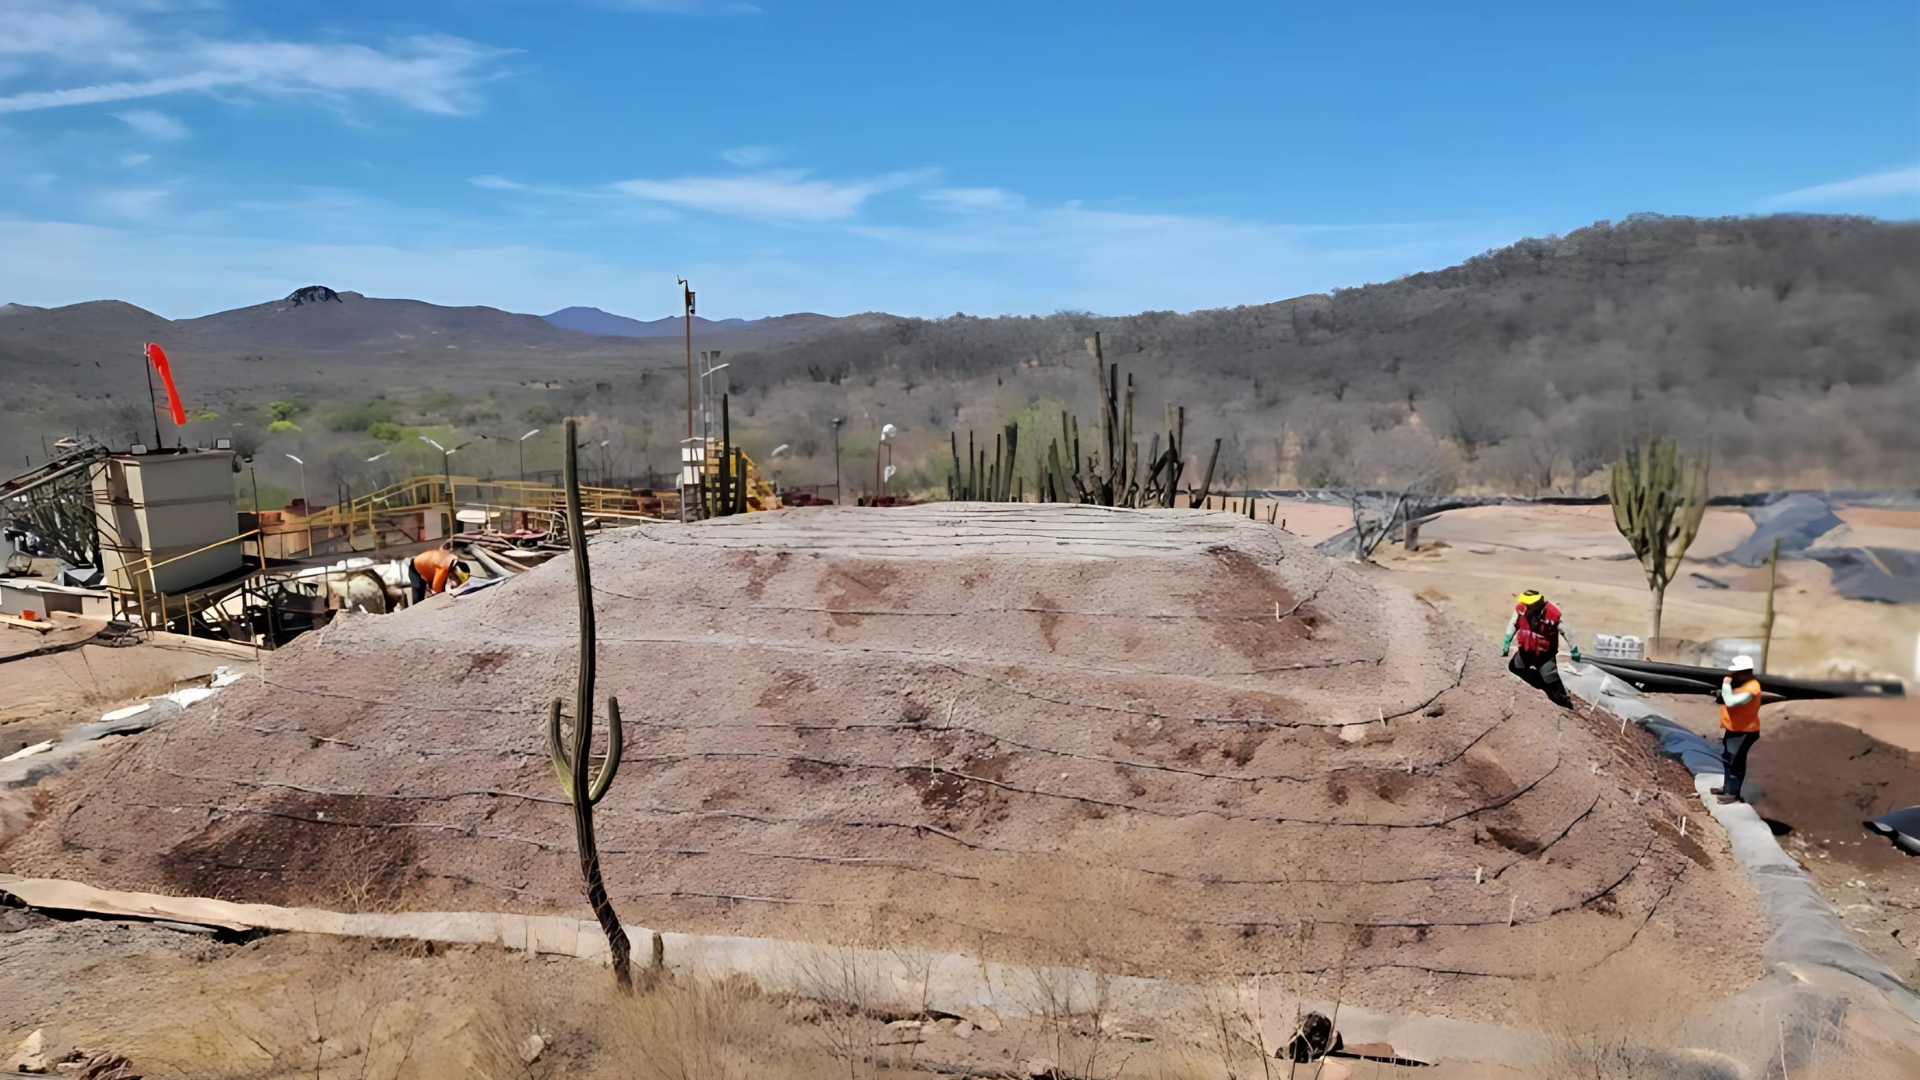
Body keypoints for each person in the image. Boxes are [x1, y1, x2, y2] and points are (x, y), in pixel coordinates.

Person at [1501, 590, 1581, 709]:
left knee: (1550, 679)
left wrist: (1574, 649)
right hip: (1525, 650)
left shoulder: (1552, 614)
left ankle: (1563, 701)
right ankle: (1536, 685)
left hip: (1545, 654)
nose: (1527, 606)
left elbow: (1566, 631)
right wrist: (1507, 640)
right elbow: (1513, 623)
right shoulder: (1521, 609)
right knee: (1515, 667)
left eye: (1529, 604)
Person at [1712, 655, 1762, 805]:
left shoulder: (1752, 688)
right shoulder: (1741, 685)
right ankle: (1728, 789)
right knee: (1727, 759)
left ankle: (1733, 794)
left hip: (1744, 731)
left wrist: (1726, 685)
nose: (1731, 675)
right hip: (1734, 729)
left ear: (1745, 671)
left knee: (1736, 763)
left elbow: (1731, 702)